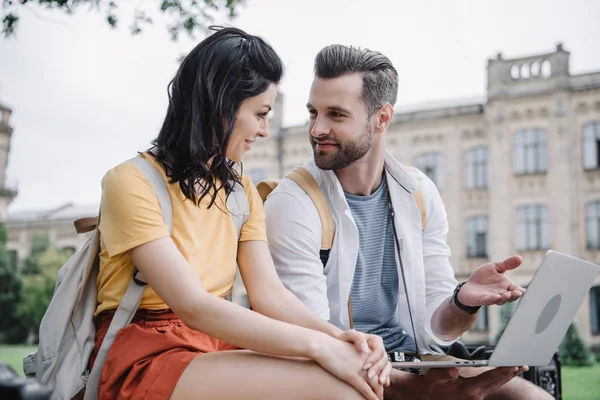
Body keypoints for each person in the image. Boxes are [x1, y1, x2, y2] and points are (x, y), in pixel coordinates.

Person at [92, 28, 392, 400]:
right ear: (221, 105)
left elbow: (269, 295)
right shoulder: (131, 182)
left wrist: (340, 337)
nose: (266, 130)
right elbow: (193, 305)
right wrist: (319, 348)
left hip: (215, 341)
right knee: (340, 391)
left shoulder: (241, 192)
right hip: (146, 355)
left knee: (353, 378)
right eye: (260, 114)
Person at [264, 44, 554, 400]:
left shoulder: (419, 193)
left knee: (531, 397)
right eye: (313, 113)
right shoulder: (293, 203)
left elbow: (437, 332)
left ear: (382, 118)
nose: (317, 128)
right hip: (338, 372)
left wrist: (463, 302)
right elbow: (315, 342)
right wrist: (419, 392)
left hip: (416, 361)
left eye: (336, 115)